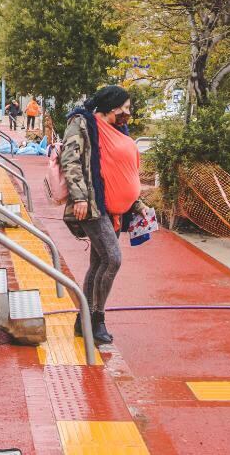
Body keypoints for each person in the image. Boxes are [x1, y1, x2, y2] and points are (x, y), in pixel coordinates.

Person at [60, 85, 142, 345]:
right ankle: (96, 319)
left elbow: (122, 168)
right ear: (112, 107)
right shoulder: (82, 123)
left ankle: (83, 320)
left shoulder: (118, 130)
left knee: (99, 263)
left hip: (114, 210)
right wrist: (80, 197)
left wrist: (137, 204)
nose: (128, 113)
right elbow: (70, 160)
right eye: (125, 108)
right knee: (112, 259)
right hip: (93, 205)